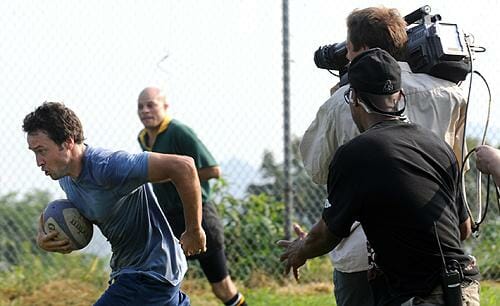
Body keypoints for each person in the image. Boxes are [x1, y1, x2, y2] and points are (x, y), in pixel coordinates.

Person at [279, 48, 480, 305]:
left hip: (423, 295)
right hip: (463, 289)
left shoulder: (355, 154)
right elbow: (462, 228)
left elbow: (325, 236)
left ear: (353, 99)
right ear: (400, 96)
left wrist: (300, 251)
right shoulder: (436, 144)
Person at [23, 102, 206, 305]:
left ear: (67, 142)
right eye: (34, 153)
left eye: (42, 151)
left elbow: (184, 167)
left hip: (149, 275)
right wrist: (44, 238)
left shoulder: (109, 167)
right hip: (137, 272)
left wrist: (194, 230)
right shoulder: (66, 178)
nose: (38, 161)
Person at [136, 87, 247, 306]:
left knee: (222, 288)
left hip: (199, 216)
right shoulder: (143, 138)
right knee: (160, 280)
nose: (145, 110)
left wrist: (171, 176)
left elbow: (213, 170)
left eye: (151, 105)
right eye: (140, 106)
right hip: (169, 219)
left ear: (165, 107)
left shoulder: (178, 131)